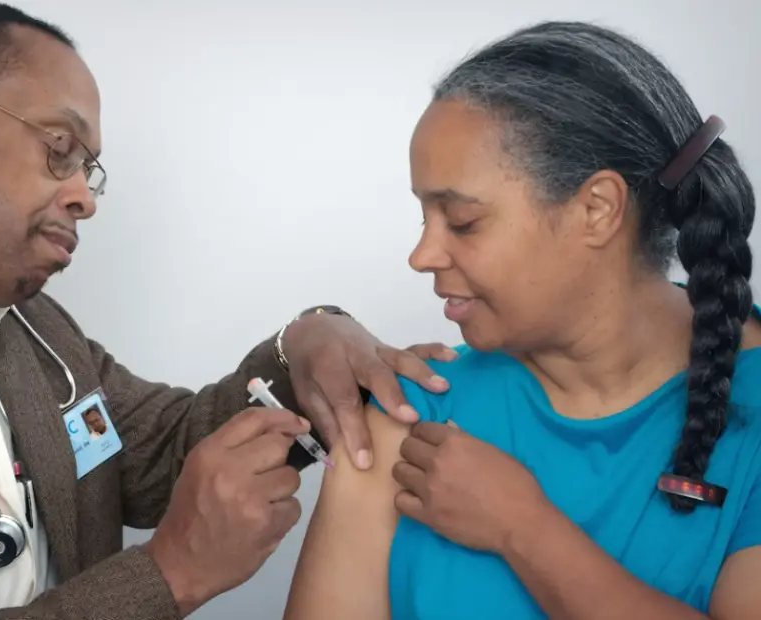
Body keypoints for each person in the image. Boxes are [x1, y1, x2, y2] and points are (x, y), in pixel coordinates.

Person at [0, 2, 457, 619]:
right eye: (60, 150)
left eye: (89, 168)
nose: (85, 196)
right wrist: (168, 576)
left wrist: (303, 345)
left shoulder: (29, 328)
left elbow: (163, 453)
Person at [283, 20, 761, 620]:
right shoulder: (412, 411)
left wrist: (524, 529)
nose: (421, 256)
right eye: (423, 217)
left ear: (598, 209)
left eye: (461, 220)